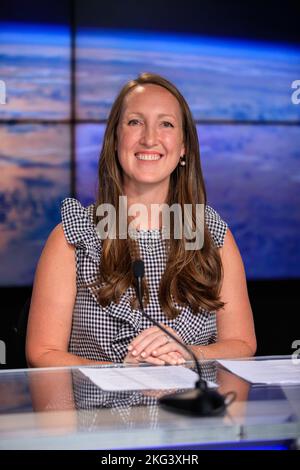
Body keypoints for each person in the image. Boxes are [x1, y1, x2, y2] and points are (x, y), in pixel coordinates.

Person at [26, 72, 256, 368]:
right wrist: (124, 373)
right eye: (135, 122)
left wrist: (188, 353)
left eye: (166, 124)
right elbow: (42, 353)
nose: (149, 138)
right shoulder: (72, 236)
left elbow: (242, 343)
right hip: (101, 411)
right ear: (115, 138)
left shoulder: (213, 233)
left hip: (193, 411)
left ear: (184, 147)